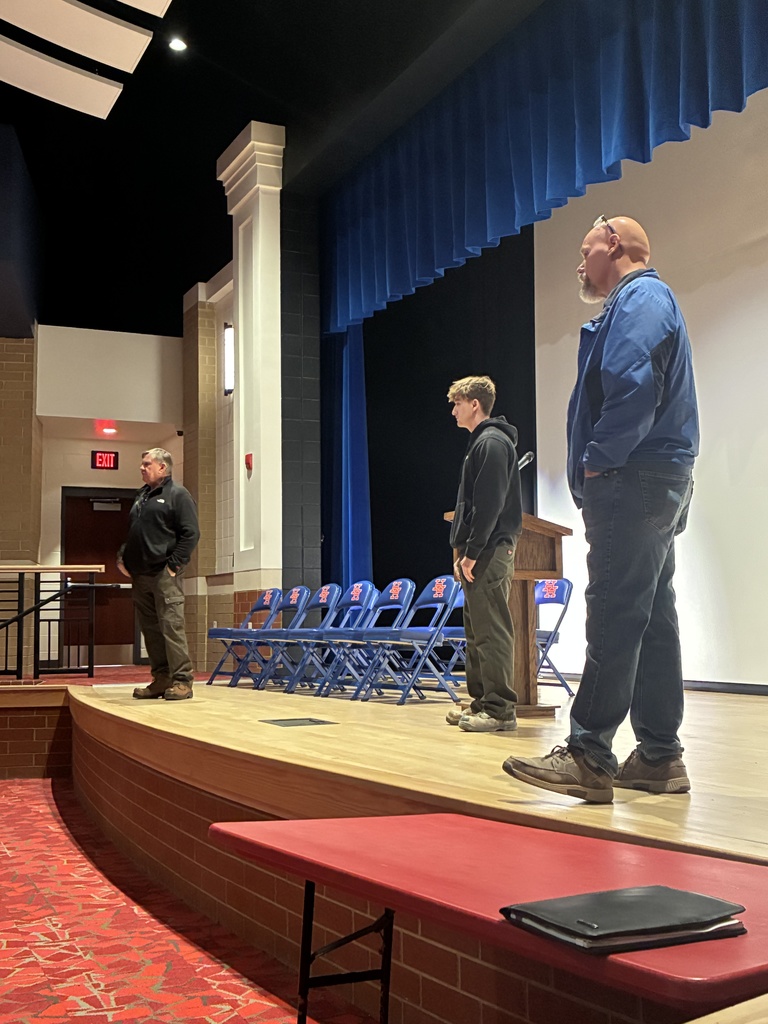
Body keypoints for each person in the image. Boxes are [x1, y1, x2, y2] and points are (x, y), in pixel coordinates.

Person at [504, 215, 699, 802]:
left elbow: (633, 388)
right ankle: (659, 757)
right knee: (651, 615)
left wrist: (597, 460)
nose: (578, 262)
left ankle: (589, 754)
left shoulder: (640, 298)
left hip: (632, 475)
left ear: (613, 242)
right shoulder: (648, 301)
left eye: (585, 247)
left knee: (615, 608)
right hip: (656, 477)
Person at [445, 375, 523, 733]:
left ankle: (500, 709)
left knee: (491, 630)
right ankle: (482, 703)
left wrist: (473, 551)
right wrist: (462, 550)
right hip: (479, 551)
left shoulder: (491, 443)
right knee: (477, 632)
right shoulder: (481, 442)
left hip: (490, 550)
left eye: (457, 403)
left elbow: (489, 504)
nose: (453, 411)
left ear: (474, 404)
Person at [118, 448, 200, 701]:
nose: (141, 468)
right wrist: (123, 555)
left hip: (164, 573)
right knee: (151, 631)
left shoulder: (178, 494)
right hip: (140, 575)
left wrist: (174, 566)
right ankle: (161, 679)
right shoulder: (141, 495)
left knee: (171, 628)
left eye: (147, 464)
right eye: (142, 464)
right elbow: (136, 530)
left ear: (162, 467)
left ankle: (182, 681)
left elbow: (191, 533)